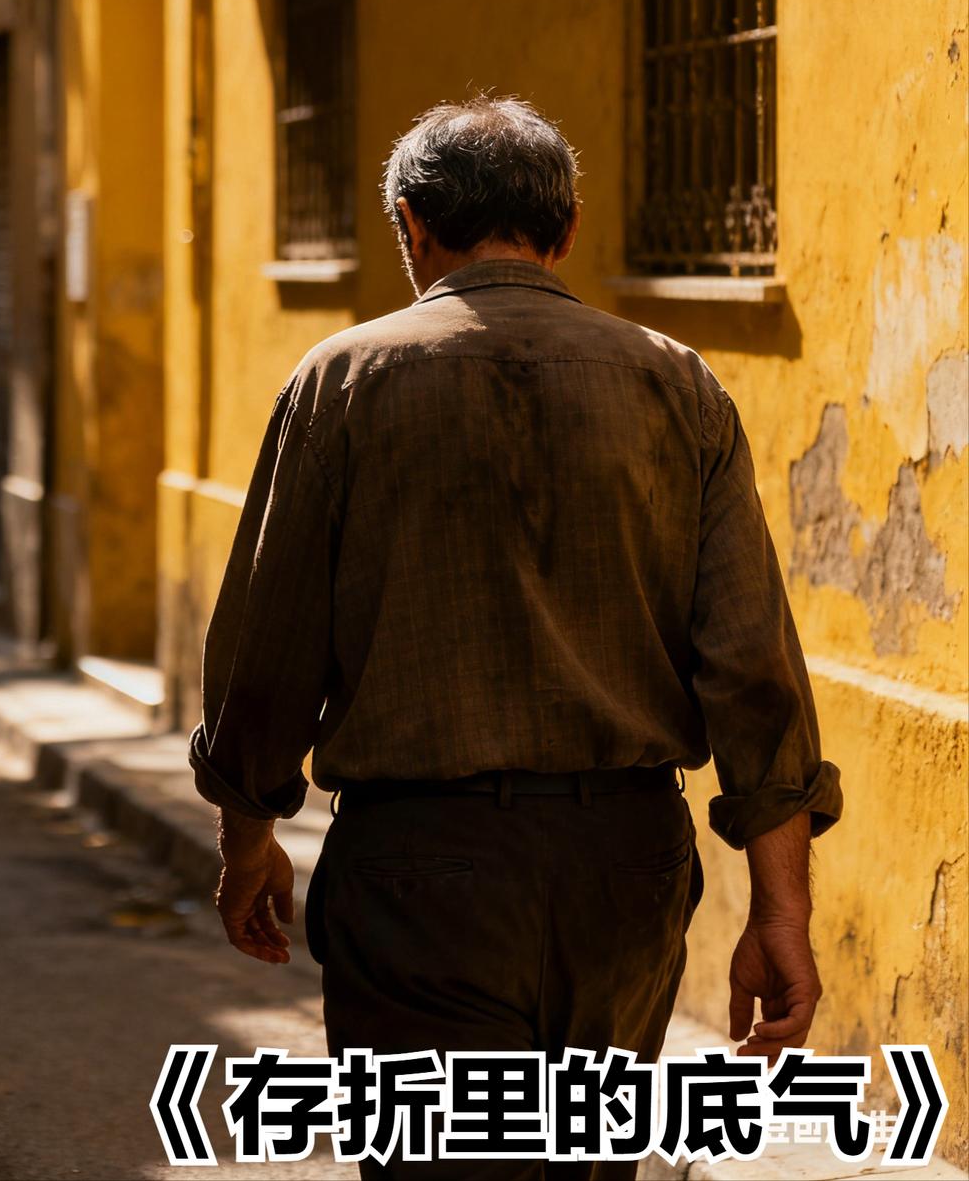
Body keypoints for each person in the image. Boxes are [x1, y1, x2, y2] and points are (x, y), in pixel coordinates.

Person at [189, 95, 842, 1179]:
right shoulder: (677, 383)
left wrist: (247, 837)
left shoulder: (340, 382)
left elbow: (266, 653)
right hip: (623, 874)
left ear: (411, 224)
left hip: (418, 878)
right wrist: (780, 907)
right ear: (567, 226)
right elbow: (751, 668)